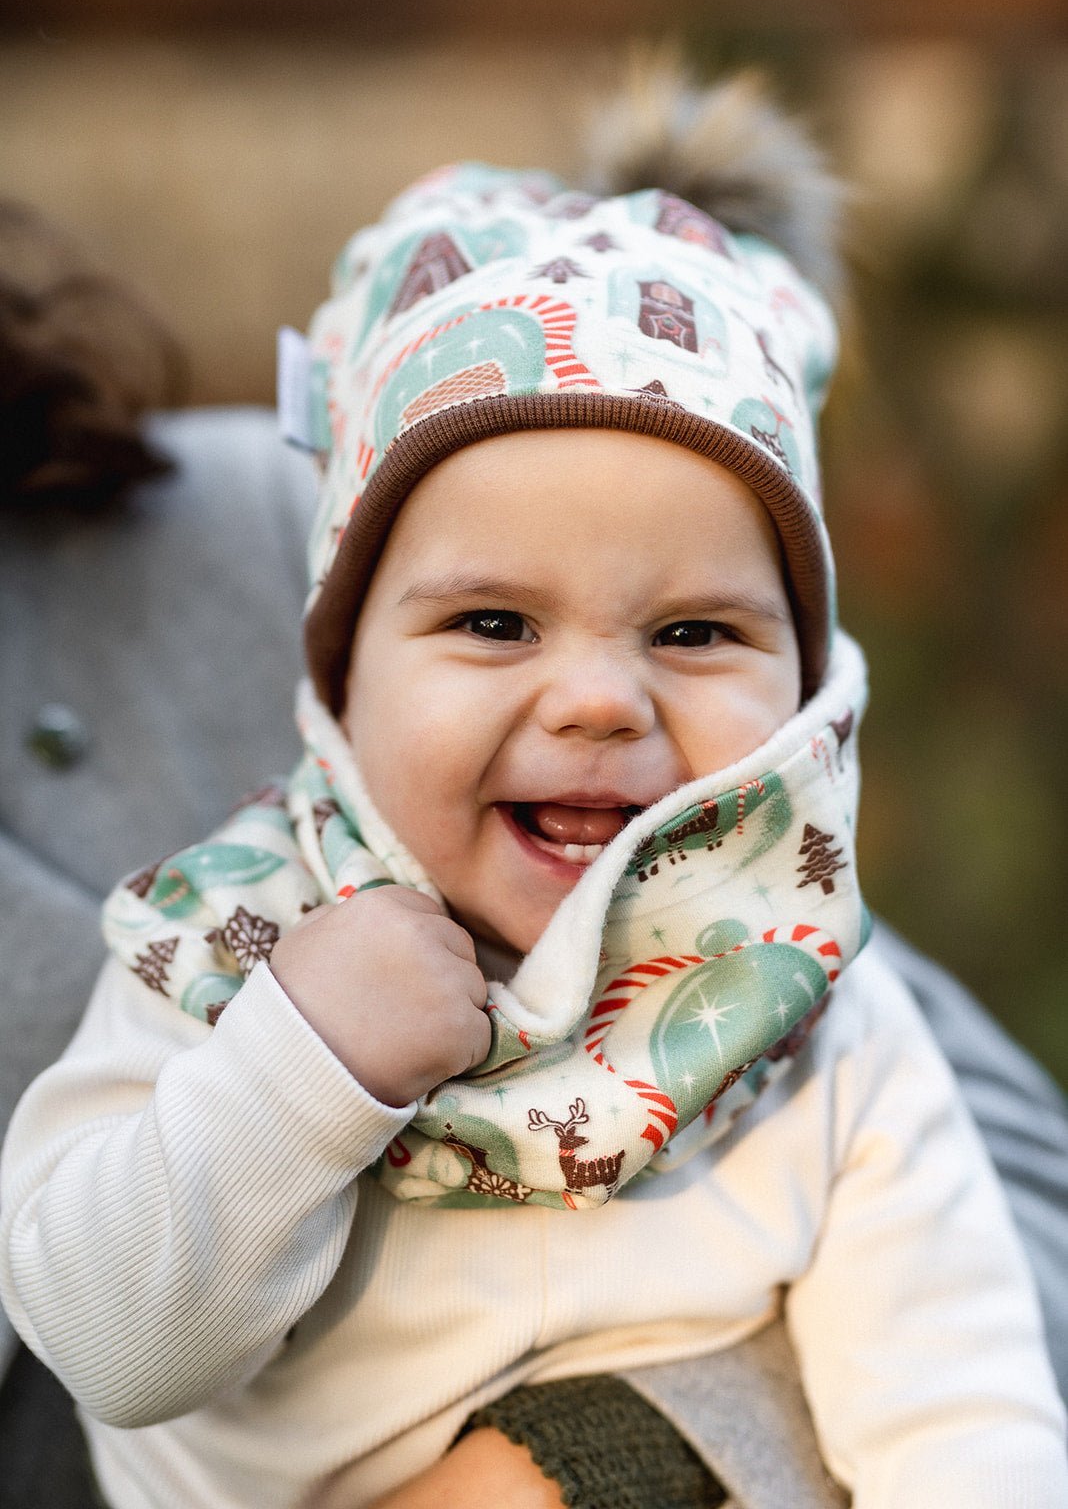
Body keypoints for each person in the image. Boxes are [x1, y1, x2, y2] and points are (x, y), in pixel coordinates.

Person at [1, 74, 1066, 1509]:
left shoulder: (800, 1011)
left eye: (695, 633)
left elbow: (967, 1420)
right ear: (337, 683)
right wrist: (298, 1065)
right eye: (495, 624)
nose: (597, 699)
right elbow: (113, 1347)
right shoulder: (222, 957)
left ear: (806, 693)